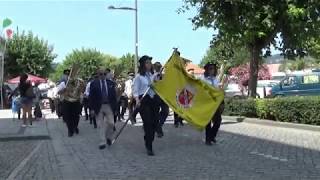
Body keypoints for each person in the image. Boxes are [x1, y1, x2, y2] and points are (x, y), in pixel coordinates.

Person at [133, 55, 159, 156]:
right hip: (144, 101)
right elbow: (135, 90)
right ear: (143, 65)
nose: (149, 64)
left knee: (154, 123)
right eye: (147, 62)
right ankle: (149, 146)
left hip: (154, 100)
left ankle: (148, 138)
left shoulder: (154, 75)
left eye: (150, 62)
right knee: (148, 123)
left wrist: (155, 84)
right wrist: (137, 100)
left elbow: (159, 84)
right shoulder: (139, 77)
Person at [89, 68, 117, 149]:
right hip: (98, 106)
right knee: (100, 125)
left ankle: (108, 137)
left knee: (111, 123)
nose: (103, 76)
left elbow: (114, 97)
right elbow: (91, 97)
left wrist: (115, 109)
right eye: (101, 74)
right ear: (98, 74)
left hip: (108, 106)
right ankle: (102, 142)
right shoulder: (94, 83)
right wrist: (92, 109)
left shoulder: (111, 83)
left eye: (104, 74)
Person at [202, 62, 225, 145]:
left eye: (213, 69)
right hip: (206, 102)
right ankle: (208, 139)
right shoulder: (202, 79)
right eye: (210, 68)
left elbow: (218, 90)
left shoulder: (216, 79)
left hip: (215, 103)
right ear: (207, 69)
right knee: (207, 122)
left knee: (218, 121)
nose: (212, 70)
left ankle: (212, 136)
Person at [57, 68, 85, 137]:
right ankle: (70, 130)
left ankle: (75, 126)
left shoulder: (79, 82)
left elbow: (82, 91)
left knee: (76, 116)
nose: (68, 75)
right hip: (67, 101)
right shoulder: (63, 83)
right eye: (67, 74)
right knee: (67, 116)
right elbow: (58, 92)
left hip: (76, 101)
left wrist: (81, 96)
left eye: (69, 74)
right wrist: (64, 89)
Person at [153, 62, 169, 138]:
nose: (159, 68)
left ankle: (158, 126)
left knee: (165, 112)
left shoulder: (164, 76)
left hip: (164, 96)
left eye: (160, 67)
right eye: (157, 67)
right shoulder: (153, 76)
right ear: (155, 68)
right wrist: (157, 77)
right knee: (155, 114)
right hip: (156, 96)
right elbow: (153, 83)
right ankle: (158, 129)